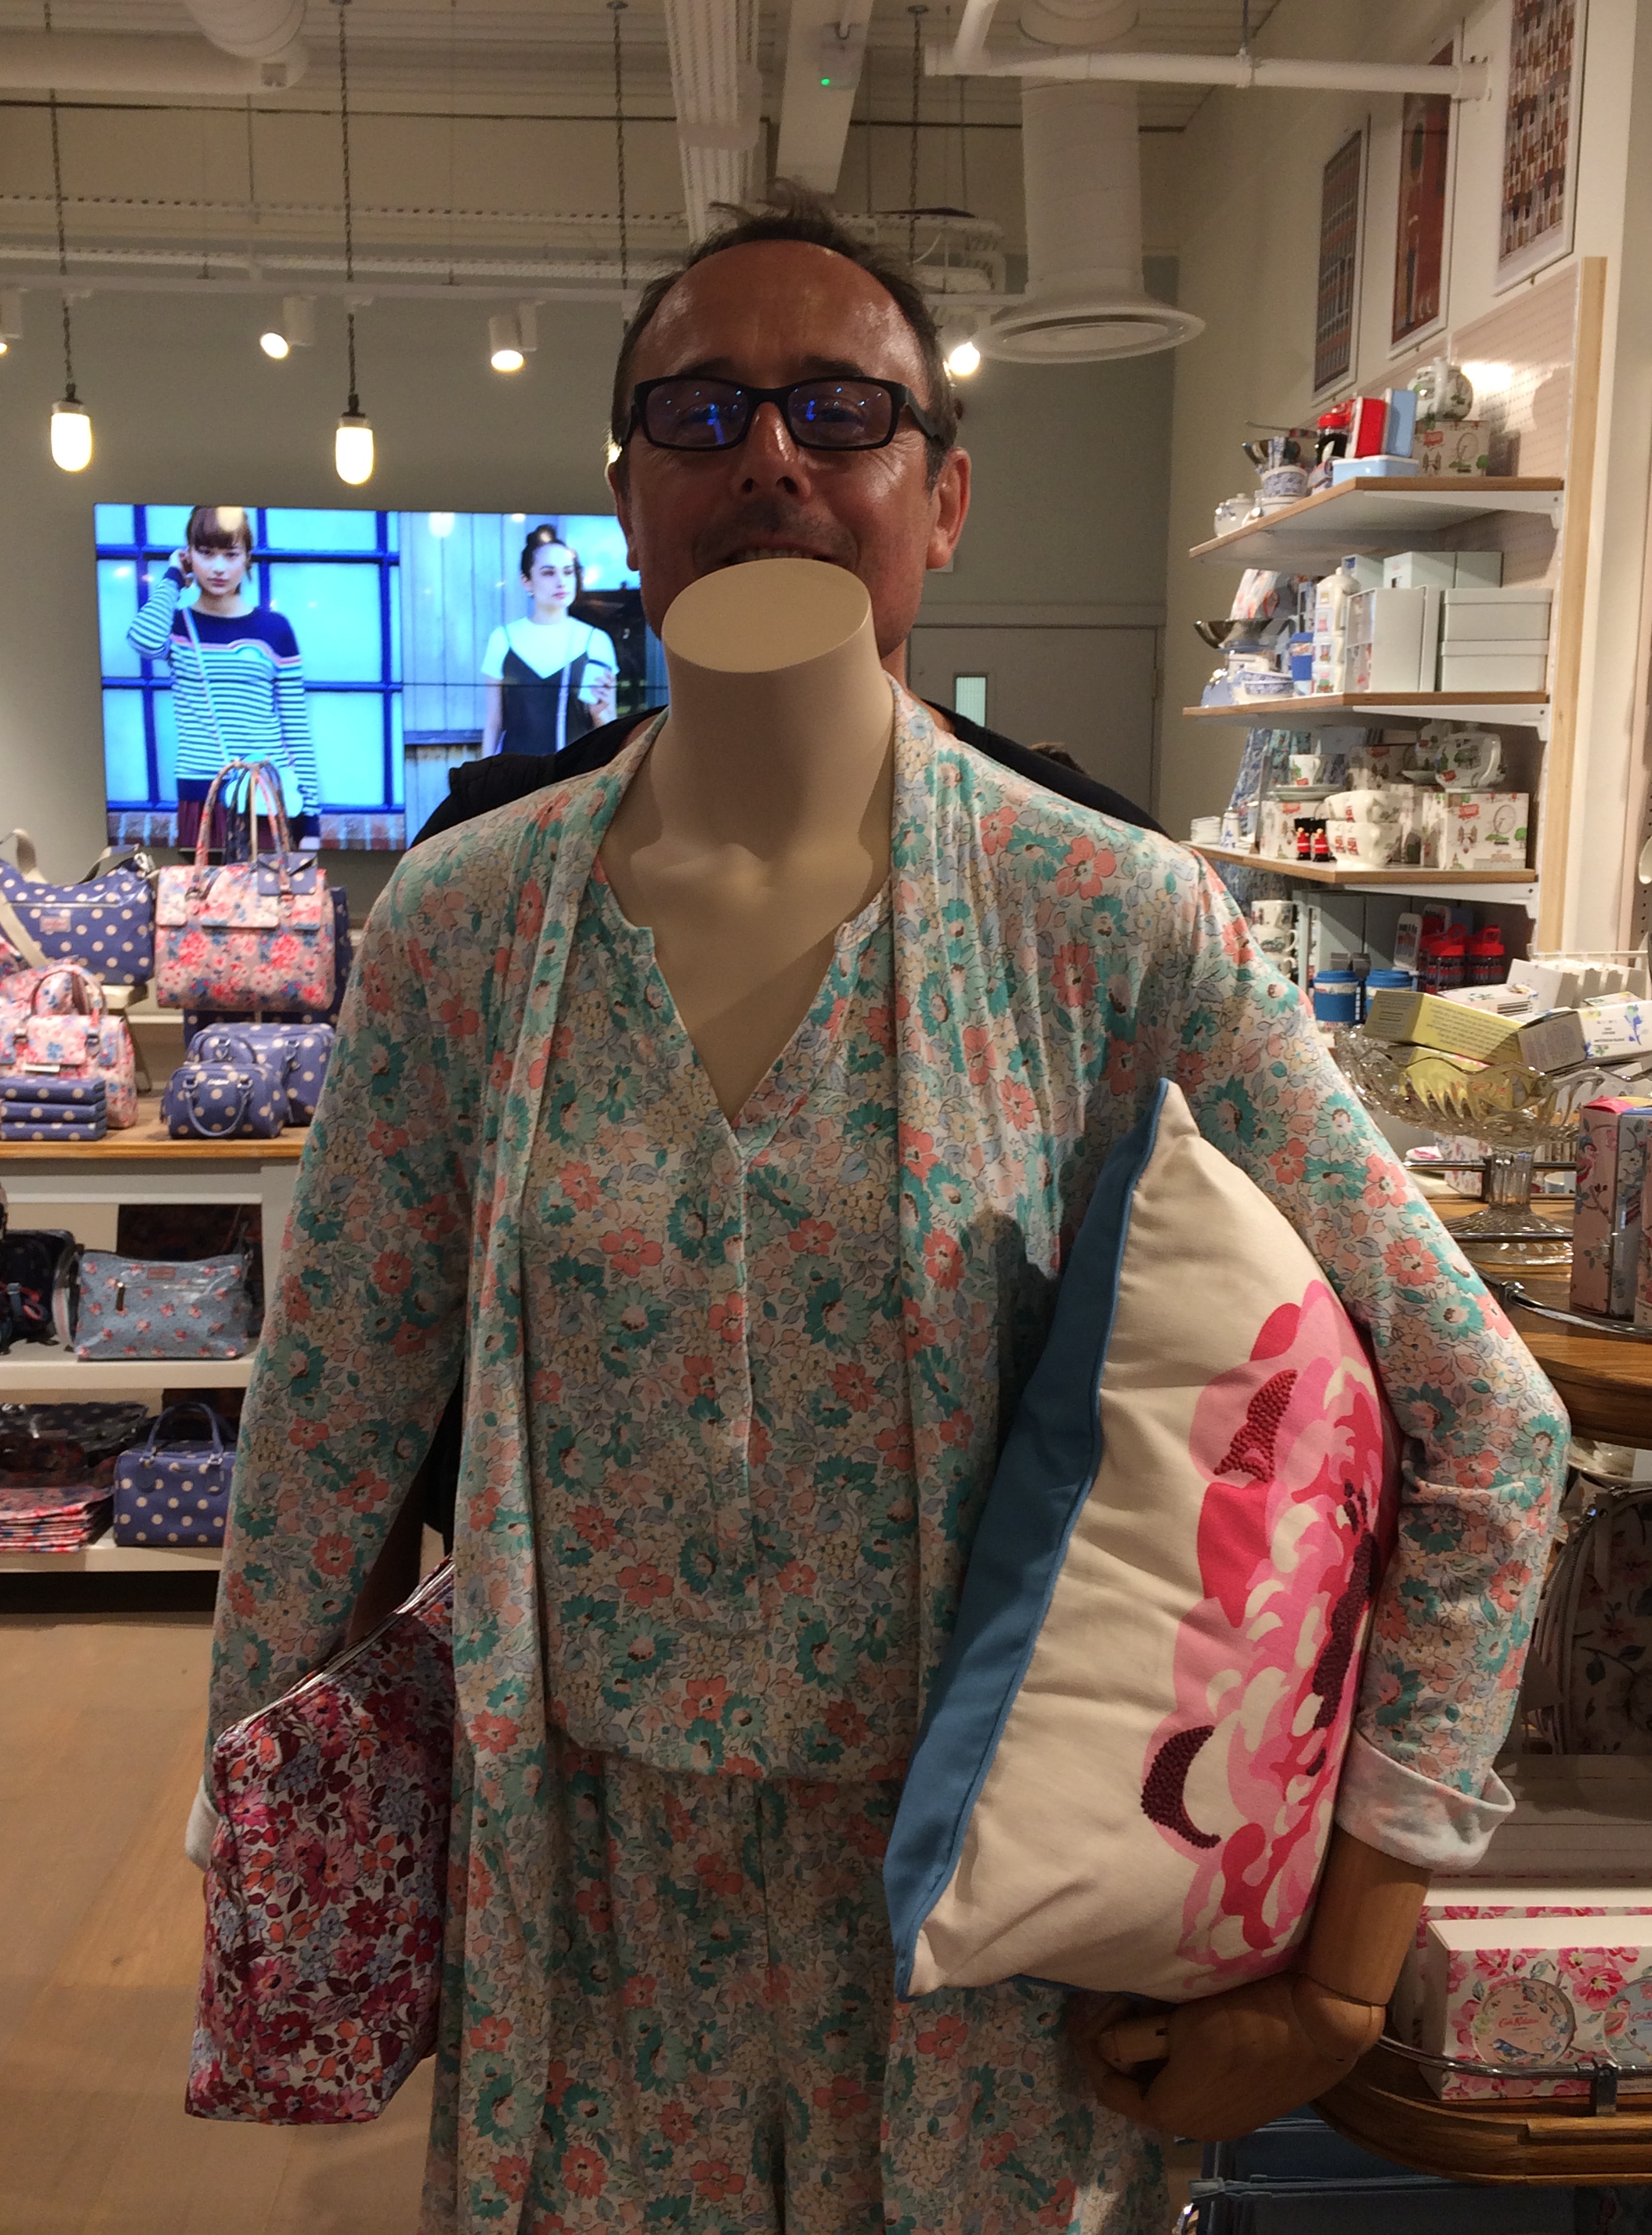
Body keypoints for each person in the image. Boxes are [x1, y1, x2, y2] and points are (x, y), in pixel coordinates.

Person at [197, 190, 1564, 2234]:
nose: (767, 454)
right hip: (582, 1933)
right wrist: (289, 1921)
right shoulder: (464, 937)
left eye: (838, 410)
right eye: (699, 411)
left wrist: (1343, 1972)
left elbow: (1484, 1424)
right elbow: (317, 1465)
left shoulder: (1109, 925)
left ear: (943, 497)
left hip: (1006, 1956)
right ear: (626, 499)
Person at [126, 505, 322, 849]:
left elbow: (295, 728)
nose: (218, 567)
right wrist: (173, 577)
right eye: (205, 553)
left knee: (270, 885)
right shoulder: (177, 625)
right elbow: (142, 640)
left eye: (231, 555)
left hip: (263, 794)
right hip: (201, 794)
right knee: (203, 885)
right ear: (188, 555)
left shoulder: (275, 629)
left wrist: (311, 820)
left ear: (247, 558)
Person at [479, 527, 619, 756]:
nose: (561, 581)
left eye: (568, 572)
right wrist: (485, 772)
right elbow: (494, 722)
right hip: (517, 773)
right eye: (548, 573)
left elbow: (610, 726)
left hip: (577, 773)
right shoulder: (503, 639)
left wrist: (600, 714)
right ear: (526, 581)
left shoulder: (595, 641)